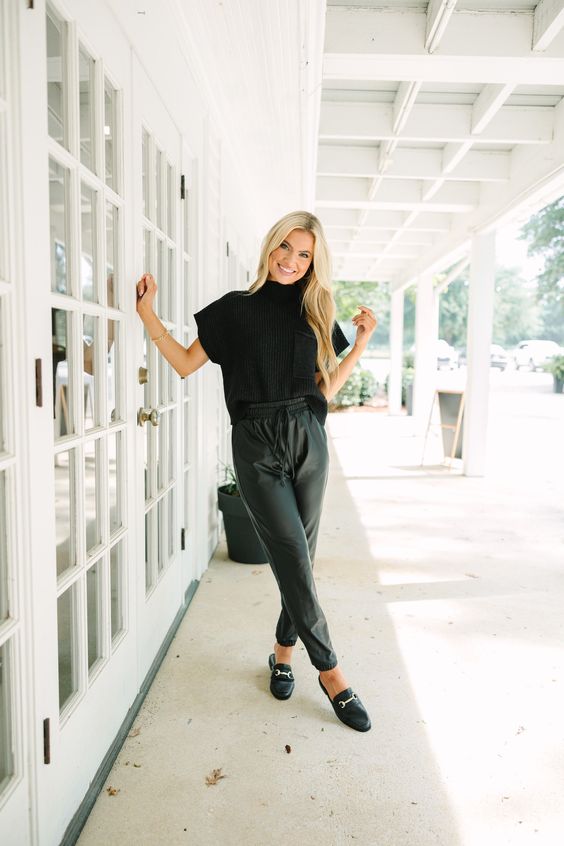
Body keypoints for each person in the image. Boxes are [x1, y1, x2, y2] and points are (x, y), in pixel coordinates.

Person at [136, 210, 377, 732]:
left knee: (303, 559)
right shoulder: (232, 311)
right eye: (285, 248)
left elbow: (324, 391)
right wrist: (147, 314)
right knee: (291, 553)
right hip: (256, 441)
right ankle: (331, 672)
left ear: (314, 262)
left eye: (304, 254)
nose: (292, 261)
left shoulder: (316, 312)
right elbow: (183, 362)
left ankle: (283, 651)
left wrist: (357, 346)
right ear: (270, 247)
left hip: (308, 437)